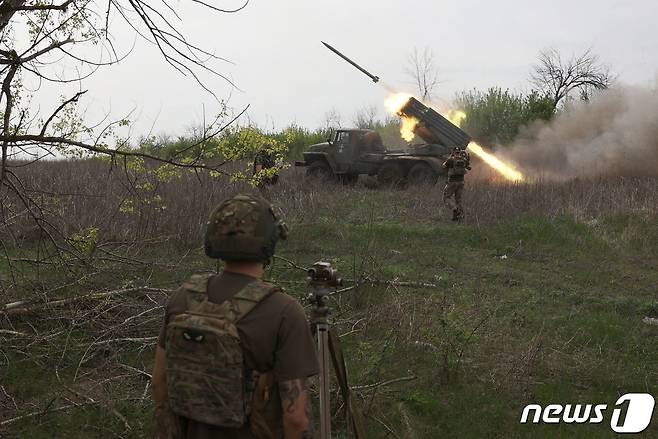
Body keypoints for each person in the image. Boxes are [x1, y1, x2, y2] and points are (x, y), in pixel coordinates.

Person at [152, 194, 319, 439]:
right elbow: (296, 419)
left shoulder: (183, 298)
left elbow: (159, 383)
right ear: (270, 242)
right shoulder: (284, 311)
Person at [442, 147, 471, 221]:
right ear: (460, 152)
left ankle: (454, 209)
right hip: (461, 182)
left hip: (452, 182)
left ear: (453, 152)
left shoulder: (451, 160)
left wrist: (450, 157)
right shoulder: (463, 160)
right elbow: (468, 166)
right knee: (458, 200)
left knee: (446, 198)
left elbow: (444, 166)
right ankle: (460, 216)